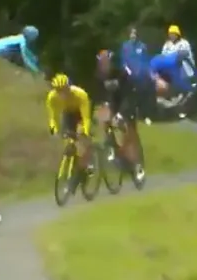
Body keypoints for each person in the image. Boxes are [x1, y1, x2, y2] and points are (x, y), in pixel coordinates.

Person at [94, 50, 146, 185]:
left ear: (111, 62)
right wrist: (101, 108)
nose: (103, 66)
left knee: (129, 131)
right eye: (101, 64)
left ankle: (137, 166)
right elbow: (100, 95)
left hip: (129, 100)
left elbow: (129, 95)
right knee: (104, 117)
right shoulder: (99, 76)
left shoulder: (122, 73)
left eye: (106, 63)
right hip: (114, 102)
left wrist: (121, 113)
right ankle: (111, 144)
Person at [46, 73, 92, 166]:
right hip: (68, 113)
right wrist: (54, 130)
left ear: (69, 87)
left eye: (65, 89)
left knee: (81, 137)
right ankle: (72, 167)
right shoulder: (52, 98)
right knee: (68, 138)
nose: (63, 93)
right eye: (59, 90)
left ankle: (87, 163)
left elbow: (86, 118)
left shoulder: (80, 94)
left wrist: (85, 132)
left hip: (80, 112)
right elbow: (53, 117)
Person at [119, 25, 156, 124]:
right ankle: (126, 114)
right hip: (129, 76)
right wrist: (128, 71)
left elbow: (146, 61)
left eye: (135, 33)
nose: (133, 35)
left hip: (141, 76)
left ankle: (146, 116)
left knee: (145, 95)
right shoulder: (125, 46)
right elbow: (123, 61)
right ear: (129, 35)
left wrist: (150, 73)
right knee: (129, 95)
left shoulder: (142, 46)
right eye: (131, 33)